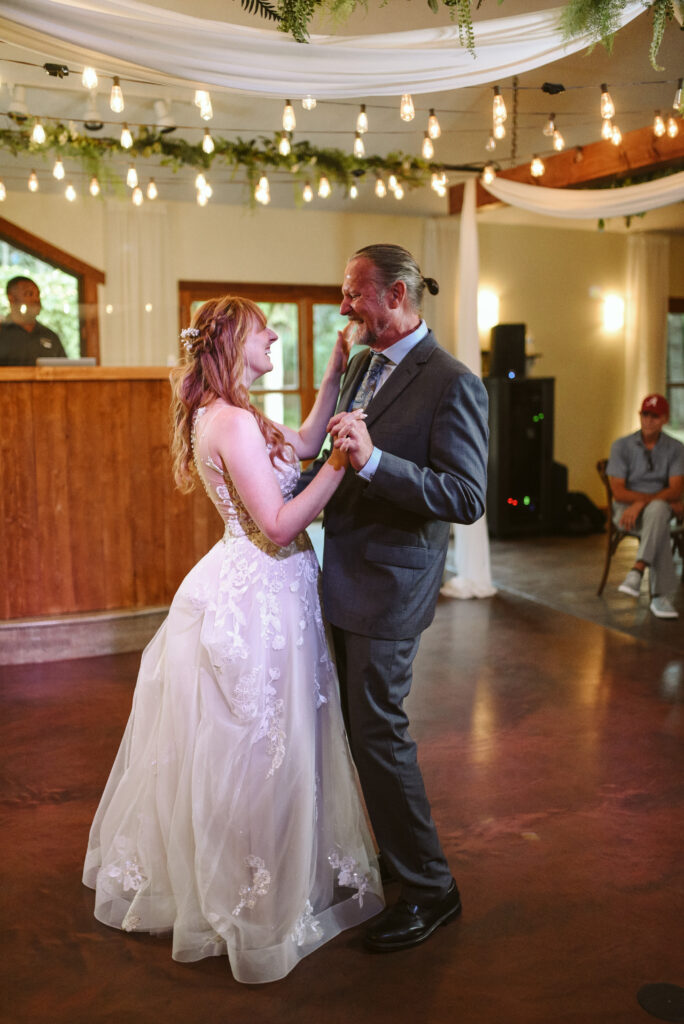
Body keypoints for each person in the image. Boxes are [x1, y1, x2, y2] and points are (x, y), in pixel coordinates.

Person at [82, 295, 383, 985]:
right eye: (262, 328)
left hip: (265, 589)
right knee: (259, 748)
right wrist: (343, 464)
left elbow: (298, 445)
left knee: (270, 742)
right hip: (261, 595)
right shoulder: (230, 421)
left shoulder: (233, 411)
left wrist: (333, 373)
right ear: (231, 341)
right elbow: (278, 525)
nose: (275, 333)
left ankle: (270, 867)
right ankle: (252, 892)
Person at [301, 243, 489, 952]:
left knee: (379, 732)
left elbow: (465, 496)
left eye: (355, 294)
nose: (343, 306)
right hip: (343, 572)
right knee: (358, 732)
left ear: (399, 295)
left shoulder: (451, 382)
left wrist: (378, 461)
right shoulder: (356, 365)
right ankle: (399, 855)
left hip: (393, 584)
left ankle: (433, 888)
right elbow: (336, 456)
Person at [607, 393, 684, 619]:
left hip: (656, 509)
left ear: (665, 419)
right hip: (627, 512)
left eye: (655, 416)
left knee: (658, 512)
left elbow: (676, 489)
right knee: (659, 516)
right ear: (640, 416)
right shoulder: (621, 446)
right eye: (645, 414)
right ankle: (660, 597)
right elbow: (618, 491)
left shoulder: (676, 448)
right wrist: (641, 503)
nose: (649, 420)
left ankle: (637, 570)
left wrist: (642, 502)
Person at [0, 276, 66, 365]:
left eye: (38, 295)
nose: (36, 299)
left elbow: (65, 371)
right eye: (29, 294)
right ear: (11, 298)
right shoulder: (2, 332)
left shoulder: (50, 336)